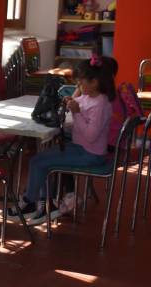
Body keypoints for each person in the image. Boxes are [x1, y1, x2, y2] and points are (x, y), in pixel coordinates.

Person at [10, 55, 115, 224]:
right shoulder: (90, 97)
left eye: (80, 83)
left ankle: (31, 202)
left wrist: (76, 112)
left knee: (39, 161)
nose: (78, 86)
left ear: (94, 82)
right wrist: (70, 100)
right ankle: (43, 203)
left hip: (91, 154)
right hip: (82, 148)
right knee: (42, 160)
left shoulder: (100, 105)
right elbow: (76, 100)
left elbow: (90, 135)